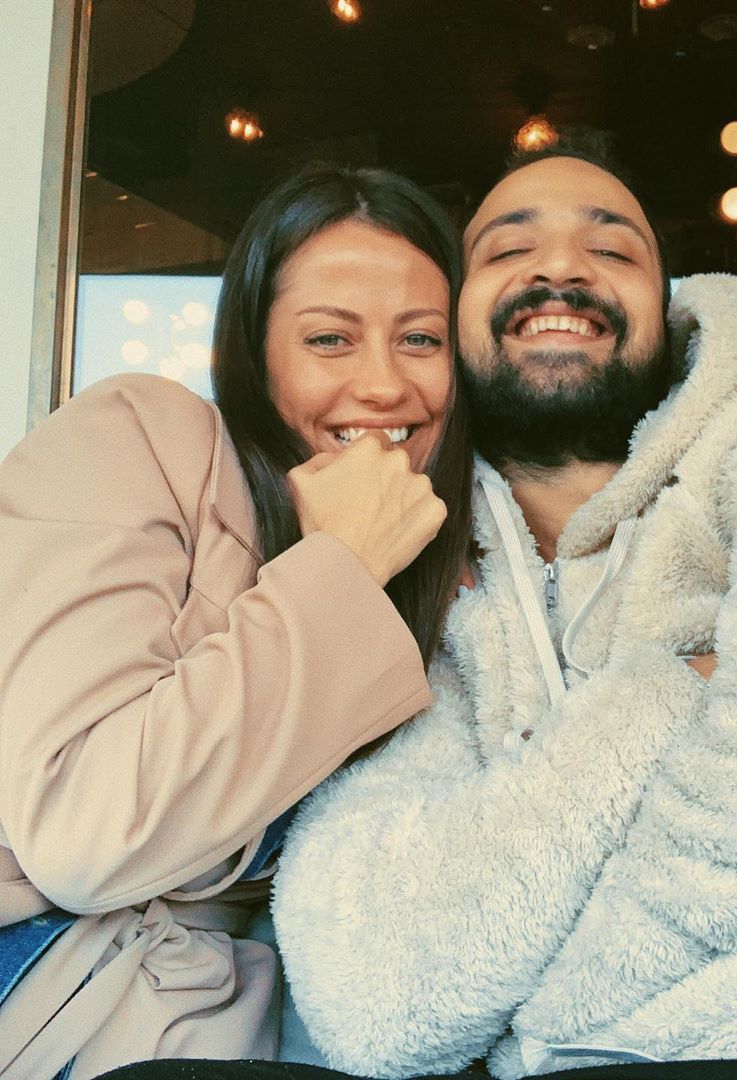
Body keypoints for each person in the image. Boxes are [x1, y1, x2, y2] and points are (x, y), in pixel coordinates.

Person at [109, 137, 737, 1080]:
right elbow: (378, 991)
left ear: (668, 305)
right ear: (453, 332)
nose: (562, 268)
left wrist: (558, 1010)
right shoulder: (425, 591)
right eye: (509, 250)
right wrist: (679, 691)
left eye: (612, 248)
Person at [0, 161, 472, 1078]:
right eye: (330, 339)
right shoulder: (138, 436)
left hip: (258, 1030)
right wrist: (343, 566)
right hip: (48, 991)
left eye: (421, 339)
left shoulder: (455, 562)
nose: (383, 385)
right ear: (256, 355)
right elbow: (82, 831)